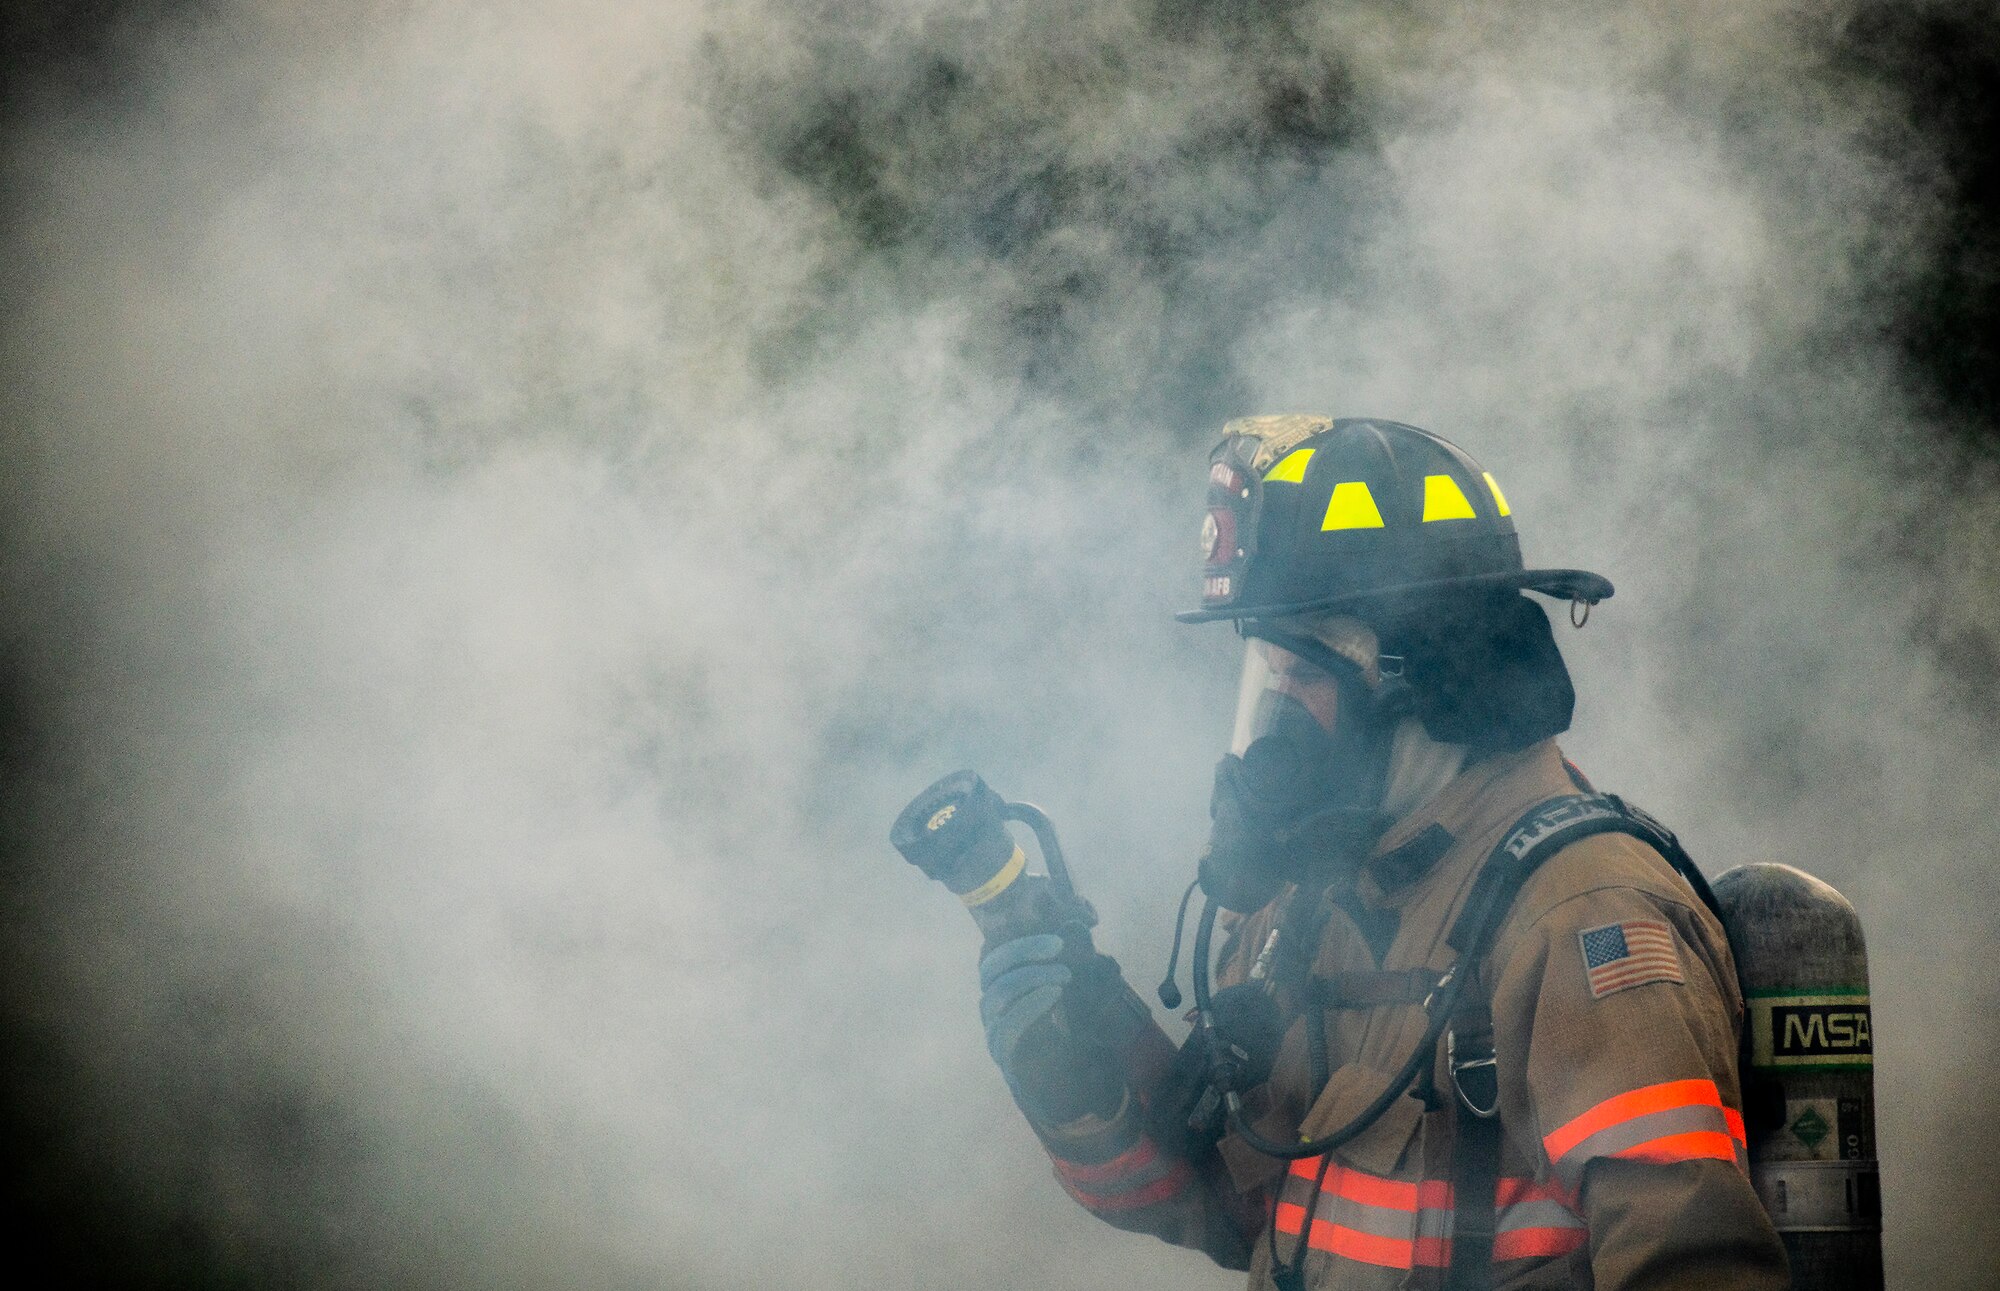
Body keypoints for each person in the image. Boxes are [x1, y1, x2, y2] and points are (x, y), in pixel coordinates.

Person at [975, 416, 1790, 1290]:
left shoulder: (1583, 915)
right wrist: (1082, 1071)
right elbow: (1244, 1207)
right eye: (1266, 677)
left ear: (1430, 683)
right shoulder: (1304, 906)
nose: (1273, 729)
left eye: (1307, 677)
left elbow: (1694, 1272)